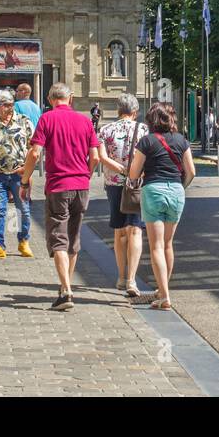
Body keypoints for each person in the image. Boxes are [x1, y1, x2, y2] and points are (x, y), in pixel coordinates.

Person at [23, 83, 101, 312]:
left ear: (49, 99)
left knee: (58, 237)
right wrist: (84, 175)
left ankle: (66, 290)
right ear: (72, 98)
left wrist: (25, 180)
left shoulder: (47, 119)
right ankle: (65, 285)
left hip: (58, 186)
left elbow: (35, 152)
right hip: (81, 186)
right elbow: (95, 157)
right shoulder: (86, 121)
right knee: (73, 238)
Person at [128, 102, 195, 310]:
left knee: (156, 246)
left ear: (151, 120)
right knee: (168, 244)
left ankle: (164, 295)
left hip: (153, 191)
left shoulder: (146, 142)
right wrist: (179, 187)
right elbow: (191, 171)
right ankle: (163, 289)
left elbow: (133, 174)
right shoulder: (181, 140)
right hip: (176, 192)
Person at [97, 94, 148, 298]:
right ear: (135, 111)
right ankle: (132, 280)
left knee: (119, 231)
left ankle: (120, 276)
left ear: (118, 110)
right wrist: (134, 173)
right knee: (135, 230)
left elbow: (101, 157)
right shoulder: (145, 130)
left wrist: (120, 170)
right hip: (137, 185)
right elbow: (149, 158)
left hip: (114, 184)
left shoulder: (105, 130)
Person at [0, 89, 34, 260]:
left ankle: (23, 241)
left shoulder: (24, 122)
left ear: (10, 106)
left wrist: (26, 169)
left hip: (20, 174)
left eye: (0, 104)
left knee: (23, 210)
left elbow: (34, 147)